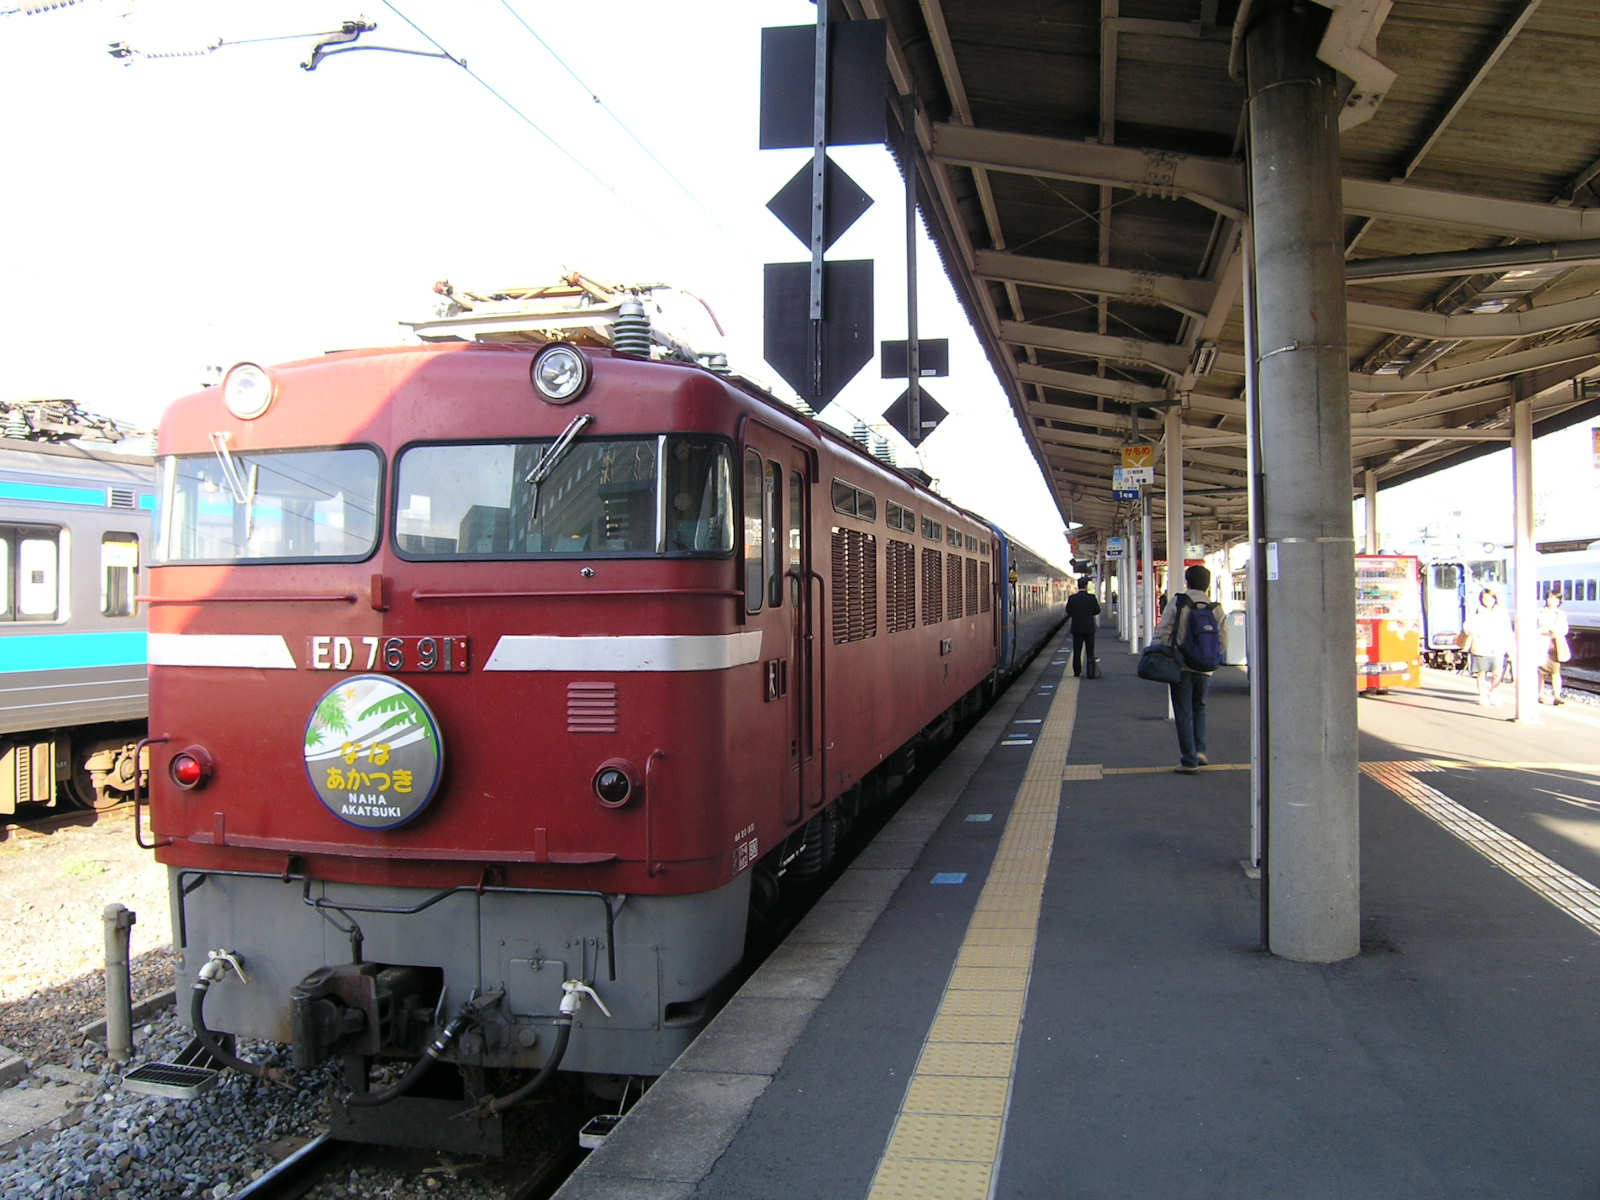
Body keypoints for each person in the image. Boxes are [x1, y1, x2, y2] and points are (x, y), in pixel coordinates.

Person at [1153, 563, 1226, 774]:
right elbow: (1224, 641)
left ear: (1187, 582)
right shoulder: (1216, 608)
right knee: (1200, 706)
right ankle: (1200, 751)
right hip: (1205, 667)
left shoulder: (1179, 602)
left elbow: (1165, 630)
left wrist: (1155, 651)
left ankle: (1188, 760)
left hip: (1181, 665)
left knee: (1183, 712)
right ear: (1208, 585)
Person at [1460, 586, 1512, 706]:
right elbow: (1468, 627)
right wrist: (1475, 633)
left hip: (1497, 647)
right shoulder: (1477, 612)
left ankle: (1494, 692)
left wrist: (1508, 646)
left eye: (1489, 598)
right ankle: (1482, 695)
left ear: (1495, 599)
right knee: (1481, 673)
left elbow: (1507, 630)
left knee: (1497, 672)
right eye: (1484, 598)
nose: (1487, 600)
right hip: (1480, 646)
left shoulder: (1501, 613)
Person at [1535, 589, 1570, 705]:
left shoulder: (1561, 614)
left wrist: (1556, 632)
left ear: (1559, 601)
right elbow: (1534, 627)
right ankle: (1539, 694)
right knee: (1540, 671)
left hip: (1556, 644)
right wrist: (1543, 631)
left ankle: (1557, 696)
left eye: (1555, 598)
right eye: (1550, 598)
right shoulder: (1539, 612)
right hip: (1541, 643)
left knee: (1556, 671)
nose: (1552, 601)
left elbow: (1564, 629)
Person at [1065, 576, 1101, 676]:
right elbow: (1097, 611)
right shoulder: (1091, 598)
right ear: (1086, 586)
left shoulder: (1072, 598)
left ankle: (1077, 672)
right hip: (1089, 629)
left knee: (1077, 651)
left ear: (1078, 586)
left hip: (1076, 628)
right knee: (1090, 651)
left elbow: (1068, 611)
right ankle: (1090, 672)